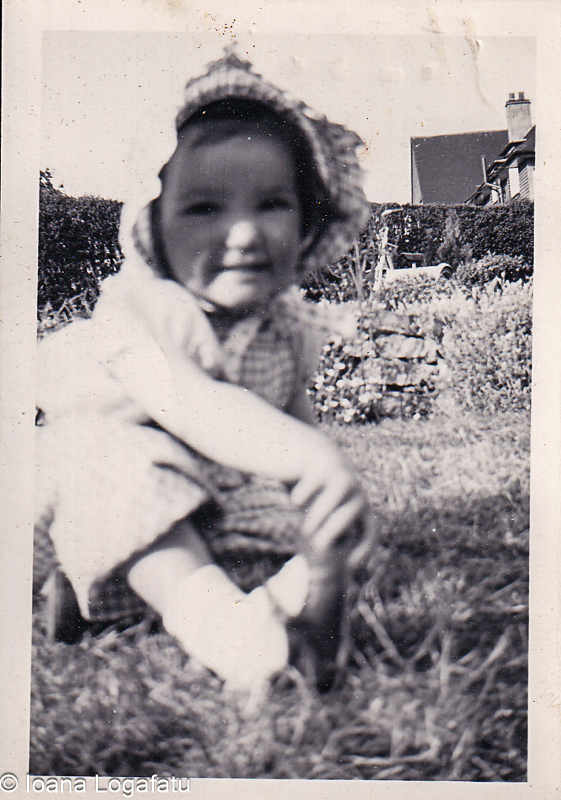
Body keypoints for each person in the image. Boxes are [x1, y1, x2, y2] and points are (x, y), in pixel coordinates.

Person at [36, 51, 372, 697]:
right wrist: (308, 455)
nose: (242, 233)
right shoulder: (139, 311)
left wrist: (325, 517)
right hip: (120, 503)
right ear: (153, 230)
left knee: (310, 526)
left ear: (306, 222)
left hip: (223, 524)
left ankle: (293, 615)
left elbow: (290, 430)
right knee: (112, 460)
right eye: (203, 208)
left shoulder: (285, 329)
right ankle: (227, 631)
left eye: (271, 203)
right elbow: (189, 402)